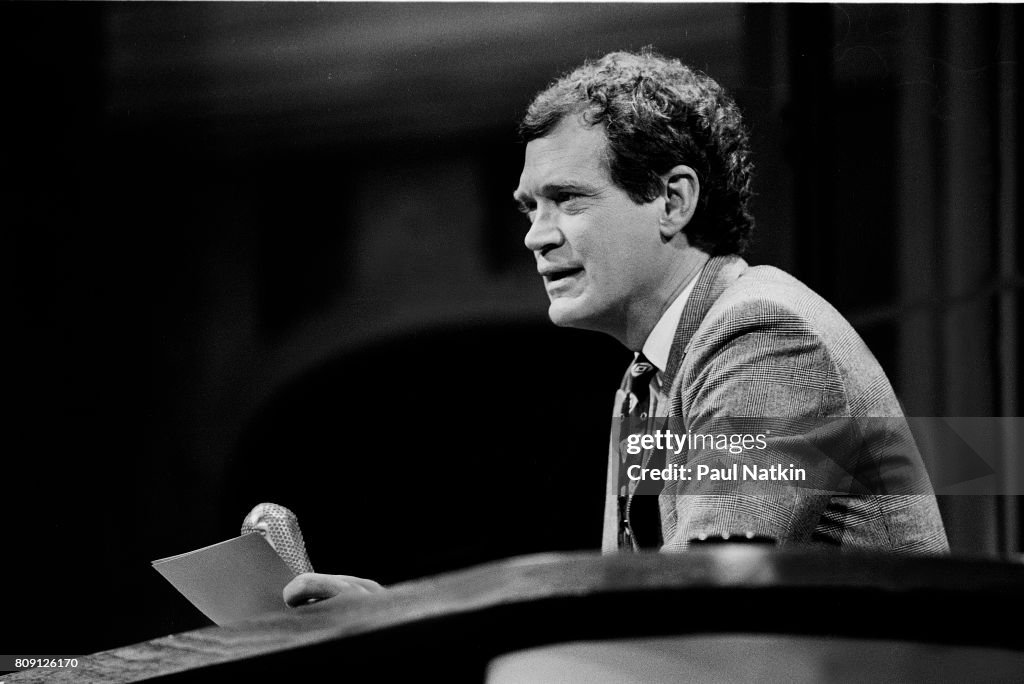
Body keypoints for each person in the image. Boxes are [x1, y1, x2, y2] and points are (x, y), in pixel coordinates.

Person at [283, 49, 947, 607]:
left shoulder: (764, 337)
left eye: (567, 200)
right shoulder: (646, 377)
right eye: (528, 208)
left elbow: (692, 602)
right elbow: (635, 602)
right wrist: (395, 618)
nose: (537, 237)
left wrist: (418, 627)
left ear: (672, 200)